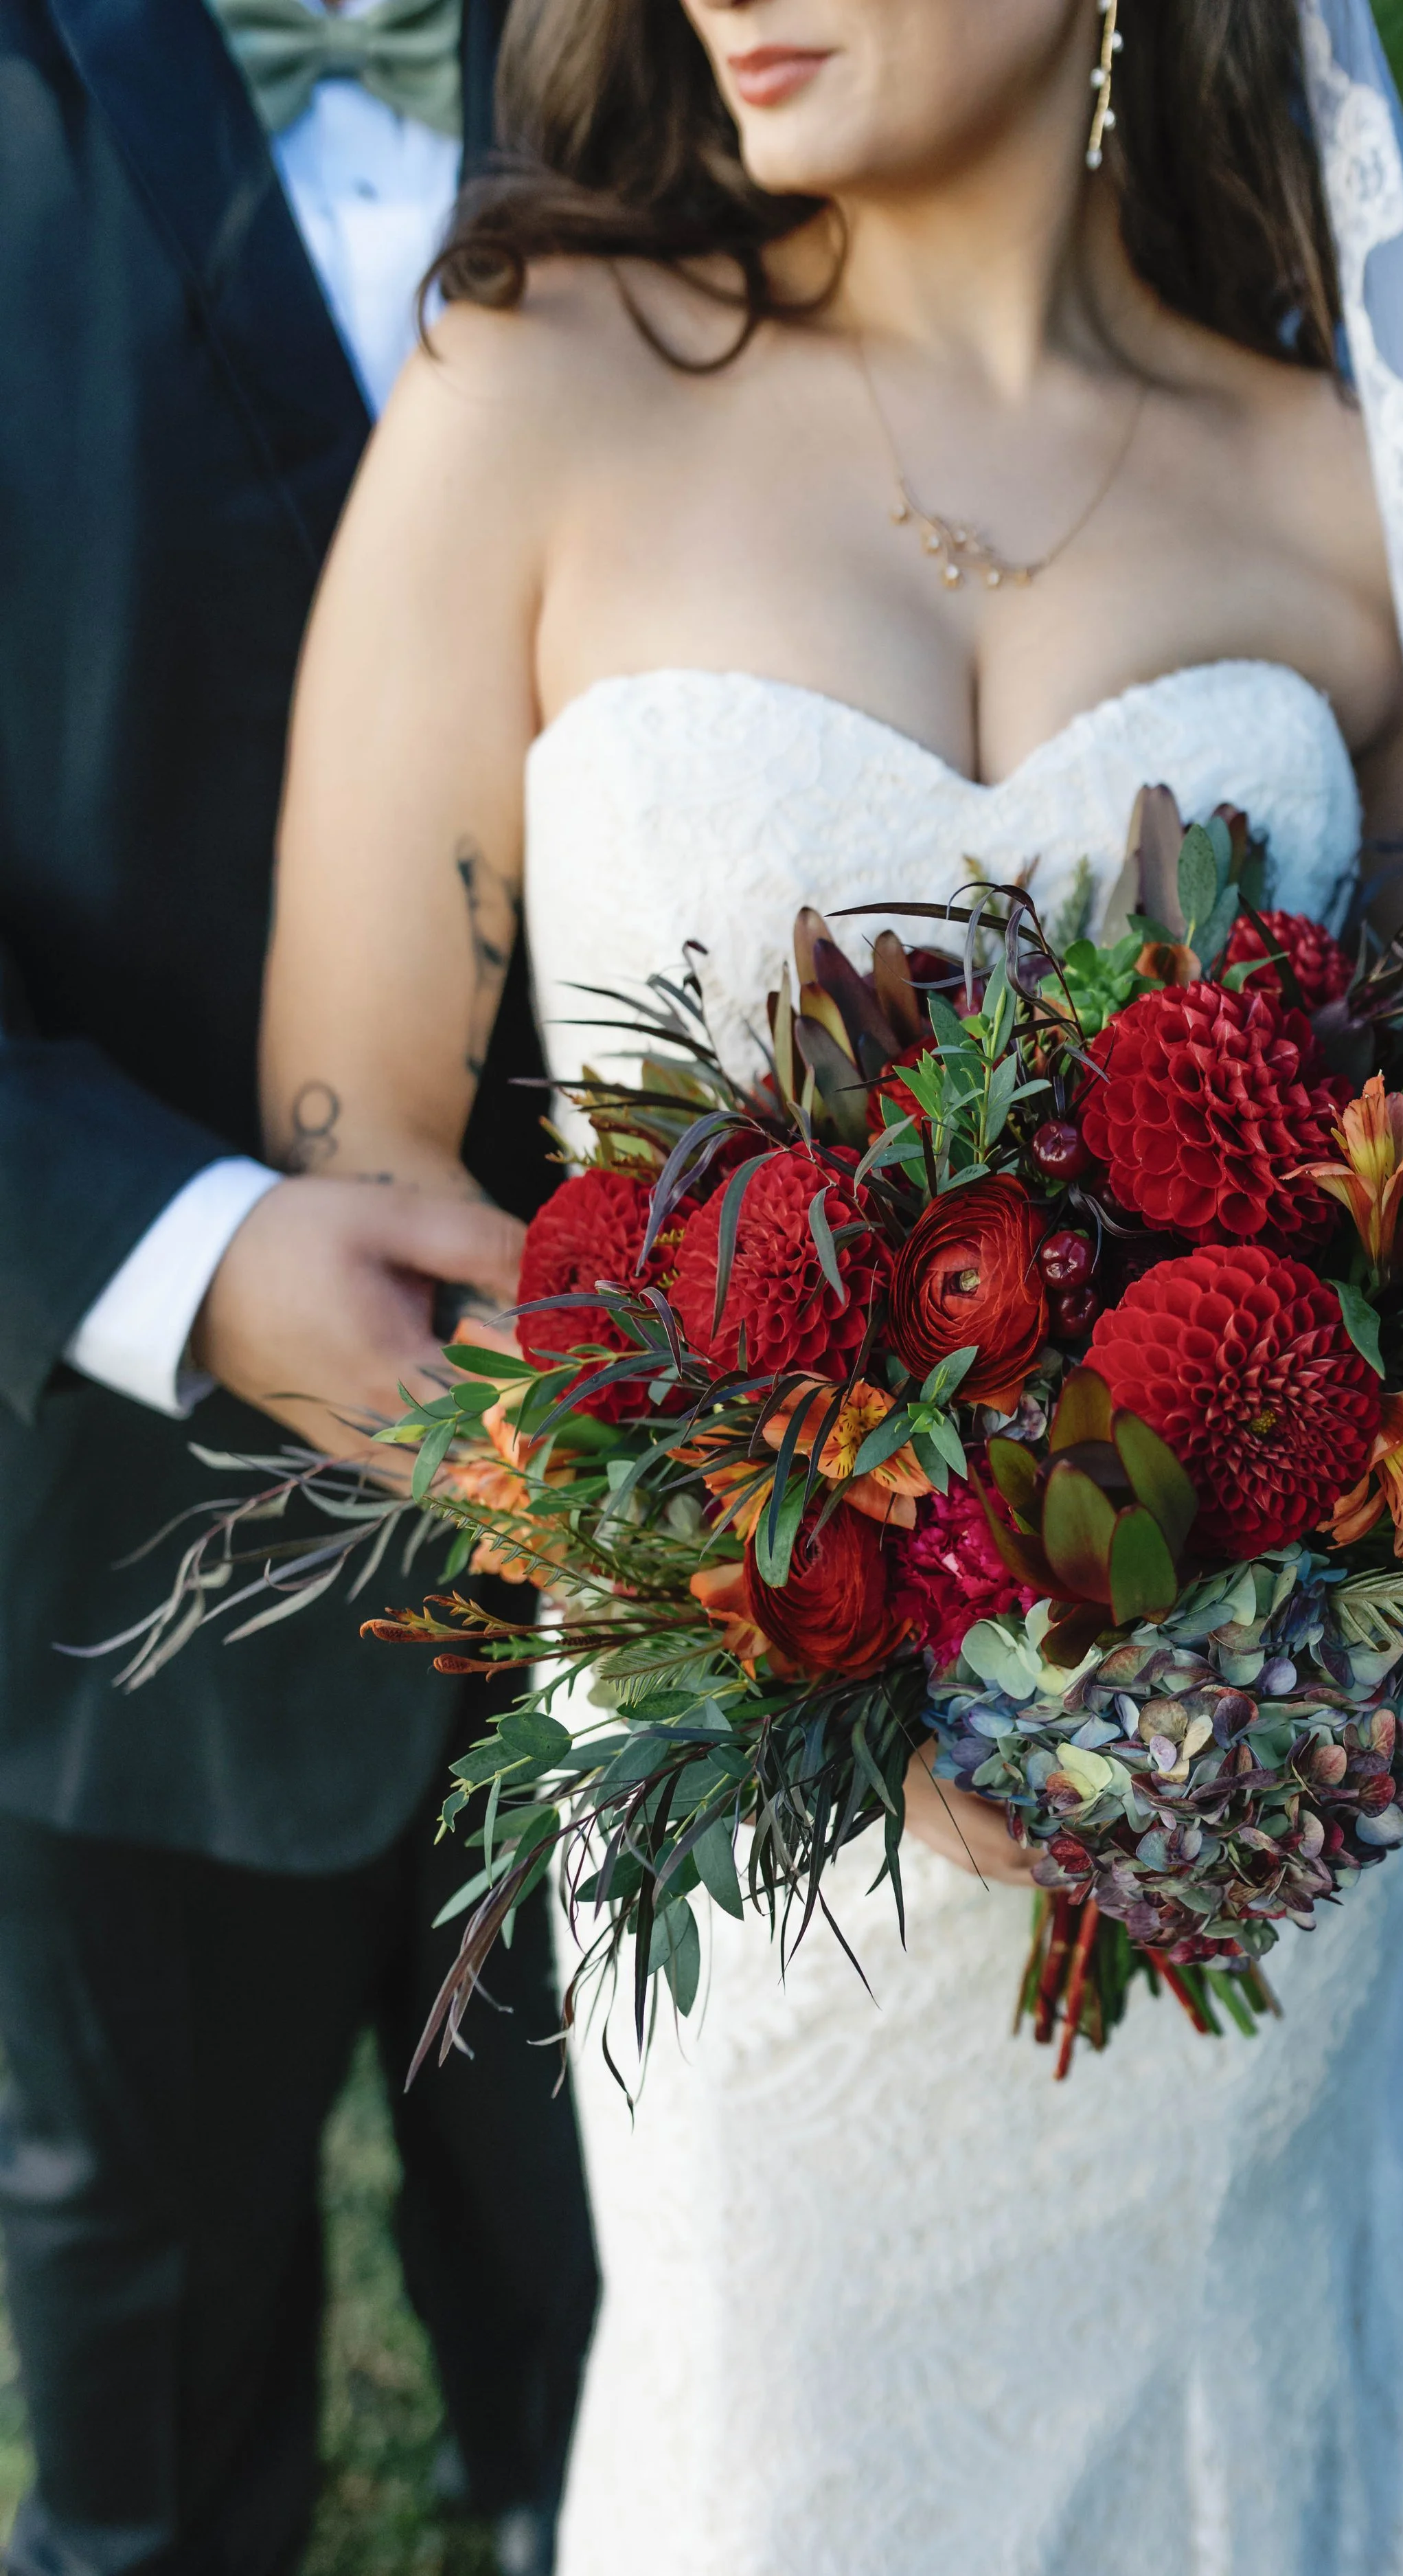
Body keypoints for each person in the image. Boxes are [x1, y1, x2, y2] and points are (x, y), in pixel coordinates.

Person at [258, 0, 1403, 2568]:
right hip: (774, 1889)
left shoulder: (1326, 486)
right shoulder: (531, 394)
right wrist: (784, 1625)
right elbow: (353, 1168)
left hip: (1224, 1859)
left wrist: (1225, 1671)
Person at [0, 4, 596, 2571]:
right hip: (113, 1564)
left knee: (669, 2418)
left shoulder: (735, 59)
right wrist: (186, 1249)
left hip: (721, 1569)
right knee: (160, 2446)